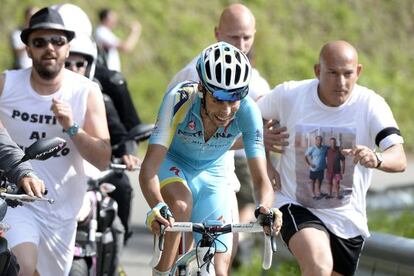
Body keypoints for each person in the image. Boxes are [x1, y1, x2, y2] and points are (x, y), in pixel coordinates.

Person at [257, 40, 406, 275]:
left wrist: (377, 159)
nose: (341, 82)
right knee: (318, 265)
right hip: (294, 203)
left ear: (358, 72)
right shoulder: (290, 95)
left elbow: (399, 158)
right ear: (318, 71)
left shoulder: (371, 105)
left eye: (348, 74)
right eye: (332, 73)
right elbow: (250, 117)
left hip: (347, 219)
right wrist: (264, 155)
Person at [140, 42, 282, 275]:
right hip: (173, 163)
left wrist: (266, 209)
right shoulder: (180, 99)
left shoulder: (248, 112)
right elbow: (149, 169)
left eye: (233, 99)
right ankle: (162, 272)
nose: (226, 111)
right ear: (202, 90)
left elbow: (261, 179)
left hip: (213, 173)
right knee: (180, 205)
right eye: (218, 99)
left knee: (219, 269)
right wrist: (157, 205)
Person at [167, 4, 285, 260]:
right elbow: (191, 141)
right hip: (183, 164)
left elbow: (260, 132)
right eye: (234, 37)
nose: (241, 44)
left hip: (221, 168)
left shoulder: (255, 79)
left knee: (222, 260)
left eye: (247, 37)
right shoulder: (193, 75)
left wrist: (268, 165)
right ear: (217, 33)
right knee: (182, 249)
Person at [0, 7, 111, 276]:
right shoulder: (6, 84)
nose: (49, 48)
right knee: (22, 267)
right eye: (39, 42)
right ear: (27, 49)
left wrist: (72, 127)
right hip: (17, 202)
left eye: (57, 41)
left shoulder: (85, 91)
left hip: (62, 211)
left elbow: (102, 156)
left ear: (68, 47)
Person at [304, 135, 328, 200]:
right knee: (313, 181)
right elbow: (305, 156)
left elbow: (331, 147)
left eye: (320, 140)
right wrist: (310, 164)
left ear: (321, 141)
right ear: (315, 140)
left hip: (321, 168)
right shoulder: (312, 148)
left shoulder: (324, 147)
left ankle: (319, 192)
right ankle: (313, 194)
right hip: (314, 169)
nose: (319, 141)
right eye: (317, 140)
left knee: (320, 180)